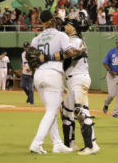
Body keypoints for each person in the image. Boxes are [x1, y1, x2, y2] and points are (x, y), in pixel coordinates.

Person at [29, 10, 85, 154]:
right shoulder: (60, 35)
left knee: (50, 111)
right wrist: (79, 51)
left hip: (38, 75)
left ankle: (57, 143)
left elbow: (31, 62)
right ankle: (37, 143)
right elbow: (69, 54)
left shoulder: (36, 39)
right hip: (52, 74)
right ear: (53, 20)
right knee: (52, 111)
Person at [60, 19, 100, 156]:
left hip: (78, 78)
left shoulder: (74, 41)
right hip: (73, 79)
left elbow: (66, 55)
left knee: (80, 112)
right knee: (66, 112)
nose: (65, 26)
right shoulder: (73, 40)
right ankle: (70, 144)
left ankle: (90, 146)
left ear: (72, 27)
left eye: (67, 24)